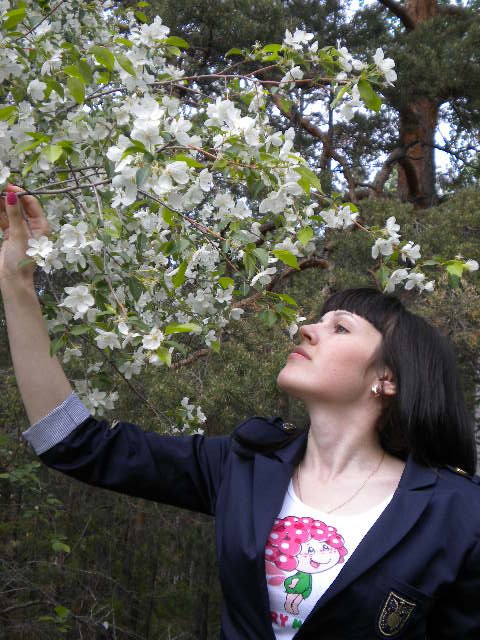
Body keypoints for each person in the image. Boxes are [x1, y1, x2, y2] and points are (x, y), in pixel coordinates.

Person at [1, 184, 479, 639]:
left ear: (387, 378)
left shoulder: (457, 512)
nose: (307, 329)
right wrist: (16, 281)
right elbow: (74, 443)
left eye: (340, 328)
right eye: (318, 320)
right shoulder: (246, 465)